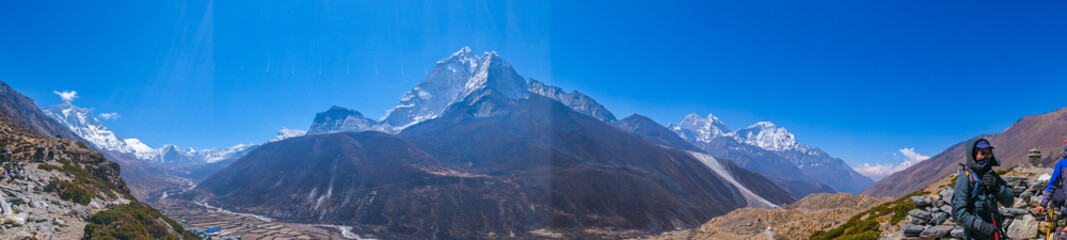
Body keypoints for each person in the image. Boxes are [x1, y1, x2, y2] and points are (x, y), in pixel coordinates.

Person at [953, 138, 1014, 239]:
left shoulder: (993, 176)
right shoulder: (966, 178)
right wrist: (982, 226)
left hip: (995, 234)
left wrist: (997, 187)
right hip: (974, 236)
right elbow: (960, 213)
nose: (986, 157)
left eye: (988, 153)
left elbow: (1009, 201)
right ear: (973, 155)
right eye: (982, 153)